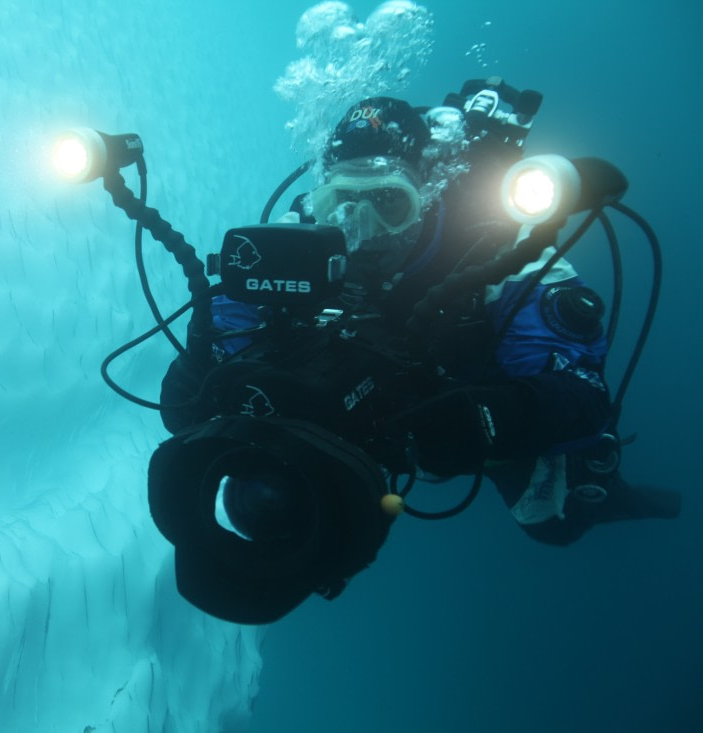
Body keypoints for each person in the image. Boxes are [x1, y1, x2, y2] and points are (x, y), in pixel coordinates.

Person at [159, 94, 680, 549]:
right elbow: (231, 317)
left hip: (468, 399)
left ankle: (617, 499)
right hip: (354, 412)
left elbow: (583, 391)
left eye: (389, 202)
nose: (363, 230)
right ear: (321, 198)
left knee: (551, 524)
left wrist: (494, 417)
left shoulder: (502, 246)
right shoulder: (299, 238)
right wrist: (207, 369)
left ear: (427, 193)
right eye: (341, 203)